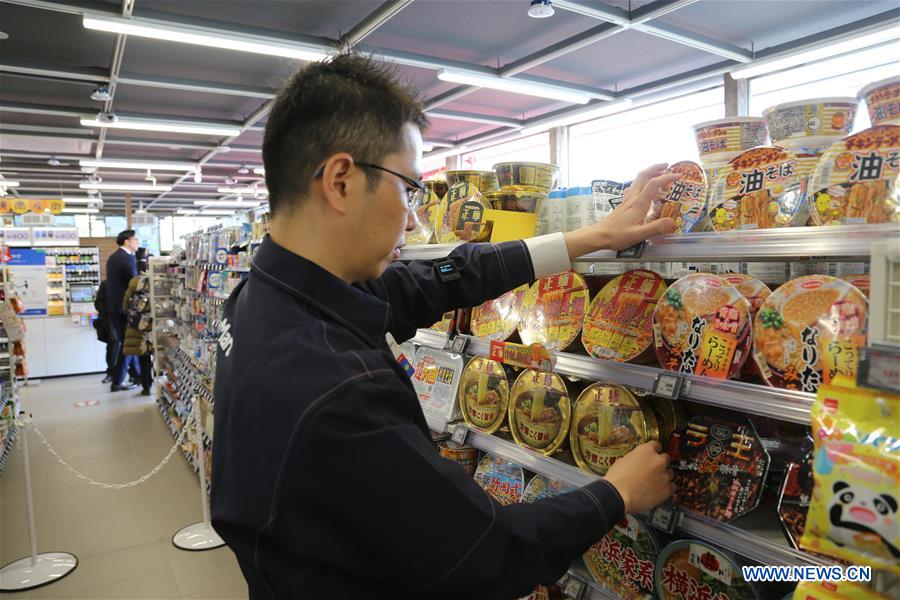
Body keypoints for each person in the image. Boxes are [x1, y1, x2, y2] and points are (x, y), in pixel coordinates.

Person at [211, 54, 677, 600]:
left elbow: (440, 280)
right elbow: (488, 552)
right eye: (408, 188)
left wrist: (587, 239)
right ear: (340, 181)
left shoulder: (266, 296)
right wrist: (615, 493)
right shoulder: (337, 390)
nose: (413, 217)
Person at [106, 229, 139, 392]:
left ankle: (137, 375)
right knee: (128, 344)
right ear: (127, 241)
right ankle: (117, 381)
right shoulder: (127, 259)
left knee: (127, 342)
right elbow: (135, 284)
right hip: (125, 309)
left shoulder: (113, 257)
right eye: (135, 240)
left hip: (114, 308)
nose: (137, 243)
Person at [93, 279, 114, 384]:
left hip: (124, 321)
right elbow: (98, 303)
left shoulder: (126, 281)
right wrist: (108, 313)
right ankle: (111, 373)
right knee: (112, 348)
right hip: (110, 323)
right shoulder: (106, 284)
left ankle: (132, 374)